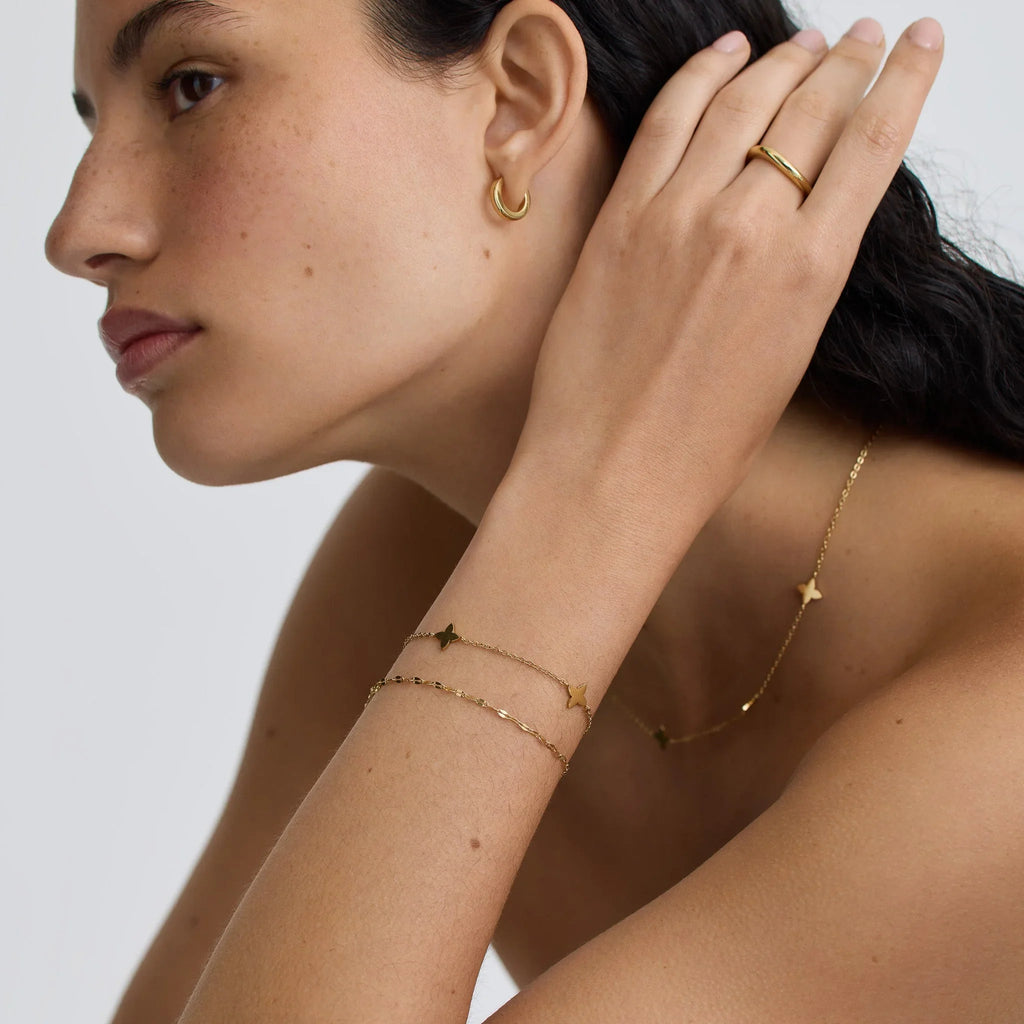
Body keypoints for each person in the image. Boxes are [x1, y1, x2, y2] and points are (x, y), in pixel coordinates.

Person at [45, 0, 1024, 1020]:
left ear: (518, 97)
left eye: (190, 86)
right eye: (89, 121)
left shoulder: (1002, 708)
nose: (78, 233)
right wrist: (581, 498)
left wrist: (599, 494)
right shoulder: (424, 548)